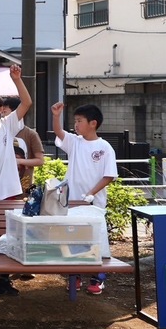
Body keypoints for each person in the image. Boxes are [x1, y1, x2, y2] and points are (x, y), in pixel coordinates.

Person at [0, 64, 33, 297]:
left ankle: (3, 278)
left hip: (8, 188)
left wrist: (16, 79)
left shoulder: (7, 126)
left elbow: (26, 103)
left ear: (1, 109)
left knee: (7, 232)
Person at [52, 101, 118, 295]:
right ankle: (75, 276)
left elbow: (109, 175)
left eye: (79, 121)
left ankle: (97, 278)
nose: (76, 124)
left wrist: (91, 193)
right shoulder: (75, 142)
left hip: (94, 204)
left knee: (93, 240)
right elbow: (59, 133)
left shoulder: (105, 147)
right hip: (72, 202)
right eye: (75, 121)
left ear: (93, 123)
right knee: (73, 239)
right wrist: (56, 116)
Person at [3, 95, 45, 194]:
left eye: (5, 112)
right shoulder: (0, 131)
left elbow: (40, 160)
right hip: (3, 189)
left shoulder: (31, 134)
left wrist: (19, 161)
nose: (3, 117)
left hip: (24, 190)